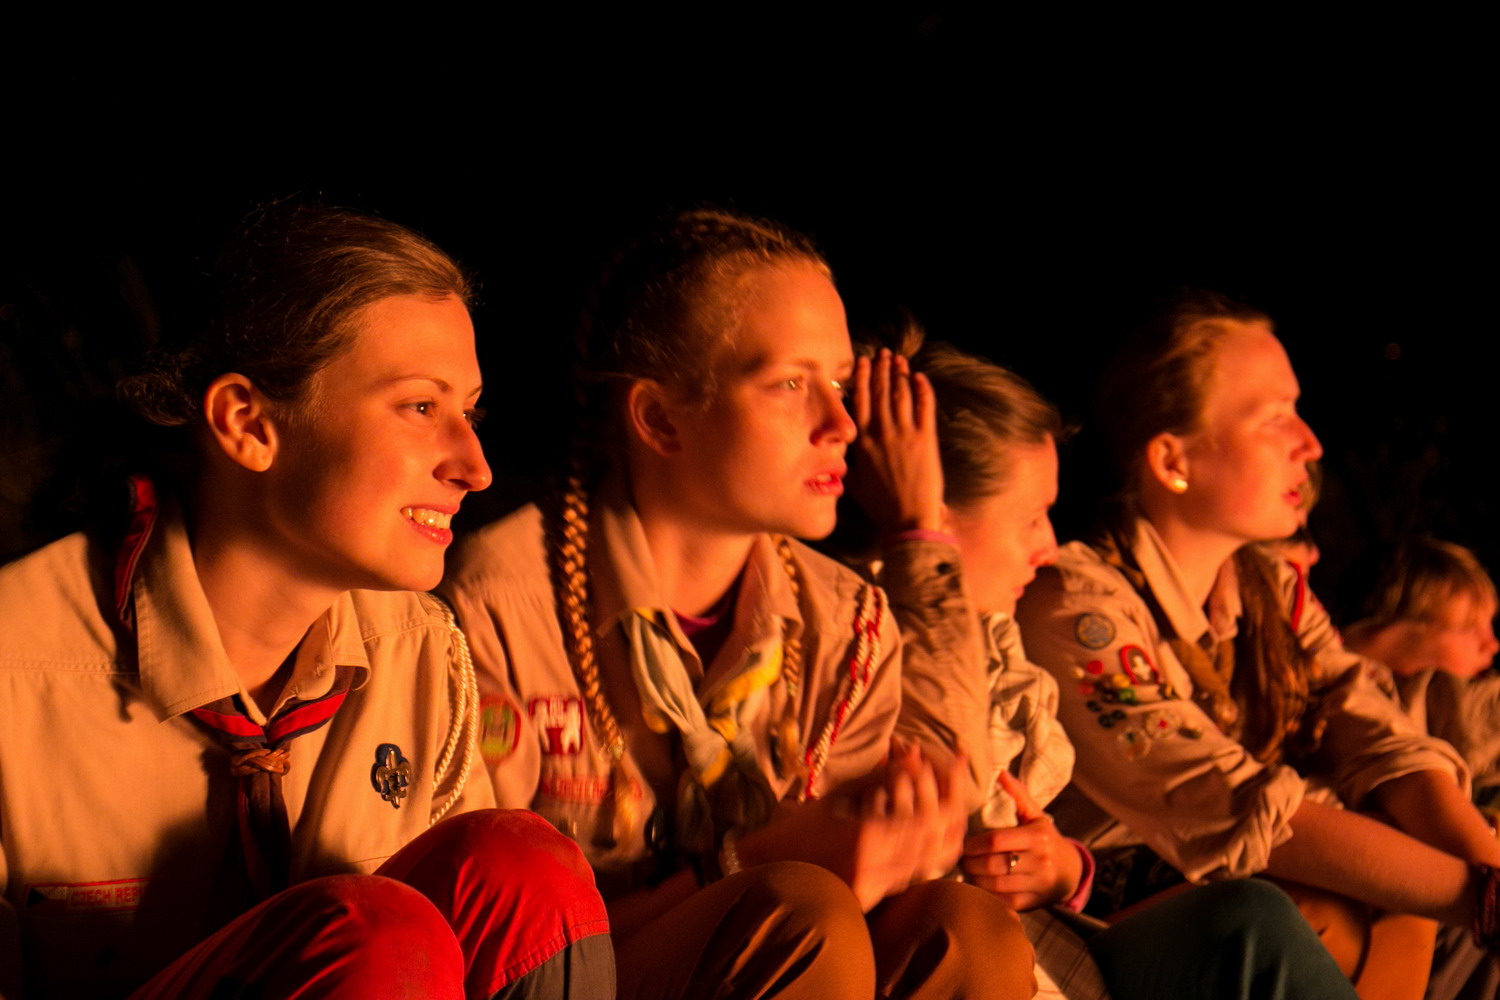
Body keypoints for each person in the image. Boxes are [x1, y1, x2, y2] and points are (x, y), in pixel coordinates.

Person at [0, 204, 612, 999]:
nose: (475, 466)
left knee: (523, 868)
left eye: (470, 412)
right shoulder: (16, 667)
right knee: (369, 938)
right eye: (421, 407)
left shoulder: (421, 648)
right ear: (249, 424)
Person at [441, 208, 1032, 999]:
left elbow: (944, 782)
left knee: (965, 930)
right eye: (790, 384)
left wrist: (920, 529)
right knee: (800, 913)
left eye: (840, 384)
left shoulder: (844, 622)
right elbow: (496, 943)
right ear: (660, 419)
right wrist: (747, 865)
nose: (842, 424)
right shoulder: (498, 603)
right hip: (576, 979)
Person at [1012, 289, 1500, 999]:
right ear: (1172, 459)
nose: (1310, 444)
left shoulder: (1268, 590)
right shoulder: (1078, 606)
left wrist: (1490, 873)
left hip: (1231, 899)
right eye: (1274, 418)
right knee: (1315, 905)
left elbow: (1377, 737)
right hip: (1101, 927)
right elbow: (1232, 805)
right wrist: (1480, 900)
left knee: (1408, 892)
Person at [846, 333, 1359, 1000]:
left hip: (1050, 941)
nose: (1048, 546)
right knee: (1277, 914)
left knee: (1264, 918)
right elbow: (957, 777)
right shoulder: (878, 632)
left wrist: (1062, 868)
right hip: (981, 960)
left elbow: (1367, 717)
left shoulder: (994, 636)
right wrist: (919, 537)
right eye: (1031, 518)